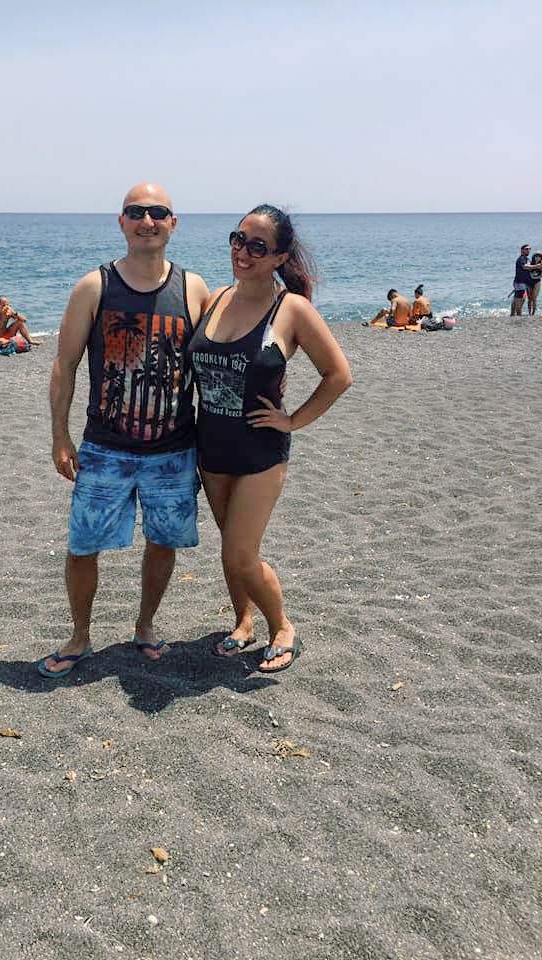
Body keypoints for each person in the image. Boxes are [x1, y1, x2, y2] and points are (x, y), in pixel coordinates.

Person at [38, 183, 209, 678]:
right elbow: (65, 365)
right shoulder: (95, 286)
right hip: (105, 447)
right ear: (121, 221)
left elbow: (217, 360)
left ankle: (145, 627)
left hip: (173, 450)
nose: (147, 220)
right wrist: (59, 435)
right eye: (137, 212)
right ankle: (80, 636)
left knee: (163, 541)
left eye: (158, 212)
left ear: (173, 223)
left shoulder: (193, 288)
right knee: (82, 545)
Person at [188, 205, 352, 673]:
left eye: (258, 246)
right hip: (211, 447)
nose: (244, 252)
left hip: (261, 453)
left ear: (279, 256)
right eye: (238, 240)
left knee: (241, 553)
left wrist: (293, 419)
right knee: (228, 547)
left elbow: (338, 375)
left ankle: (282, 627)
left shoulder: (291, 309)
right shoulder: (216, 297)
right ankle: (243, 622)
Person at [511, 244, 531, 316]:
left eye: (529, 249)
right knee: (520, 299)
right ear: (522, 250)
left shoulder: (526, 259)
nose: (528, 250)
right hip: (520, 282)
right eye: (526, 249)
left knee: (516, 298)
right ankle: (519, 315)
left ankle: (512, 314)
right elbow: (525, 267)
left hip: (520, 281)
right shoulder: (522, 258)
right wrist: (537, 266)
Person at [526, 251, 541, 316]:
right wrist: (535, 266)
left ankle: (533, 313)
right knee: (529, 298)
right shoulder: (530, 263)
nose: (537, 258)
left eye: (539, 256)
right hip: (529, 282)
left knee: (534, 298)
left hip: (537, 282)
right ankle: (529, 312)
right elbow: (527, 267)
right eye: (536, 256)